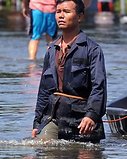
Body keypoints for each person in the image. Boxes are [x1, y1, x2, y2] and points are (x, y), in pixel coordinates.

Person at [32, 0, 107, 143]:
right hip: (55, 118)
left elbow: (99, 86)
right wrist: (37, 122)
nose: (61, 16)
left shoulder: (92, 50)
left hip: (83, 120)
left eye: (66, 12)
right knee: (42, 149)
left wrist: (91, 115)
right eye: (58, 12)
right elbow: (44, 90)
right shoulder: (52, 49)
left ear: (80, 17)